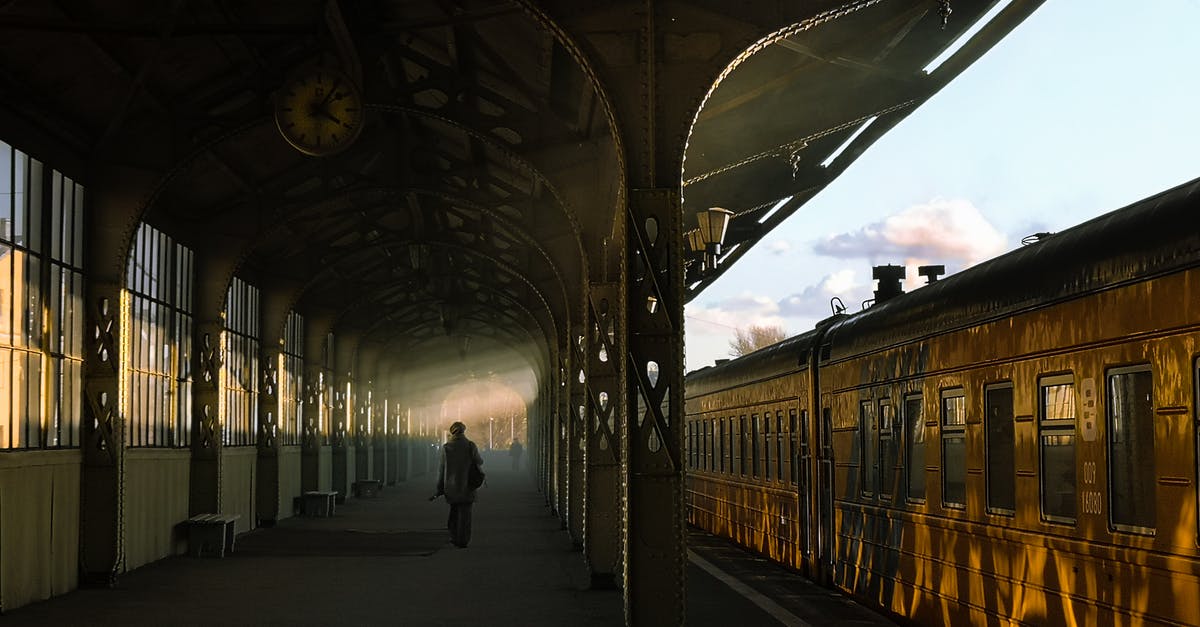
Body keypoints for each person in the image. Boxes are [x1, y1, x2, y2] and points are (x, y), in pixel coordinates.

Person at [431, 421, 483, 548]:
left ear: (452, 432)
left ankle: (454, 537)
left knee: (454, 512)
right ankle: (463, 540)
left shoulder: (446, 447)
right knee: (466, 515)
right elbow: (479, 461)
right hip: (467, 486)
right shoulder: (470, 445)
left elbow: (442, 469)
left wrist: (439, 488)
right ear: (464, 431)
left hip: (451, 486)